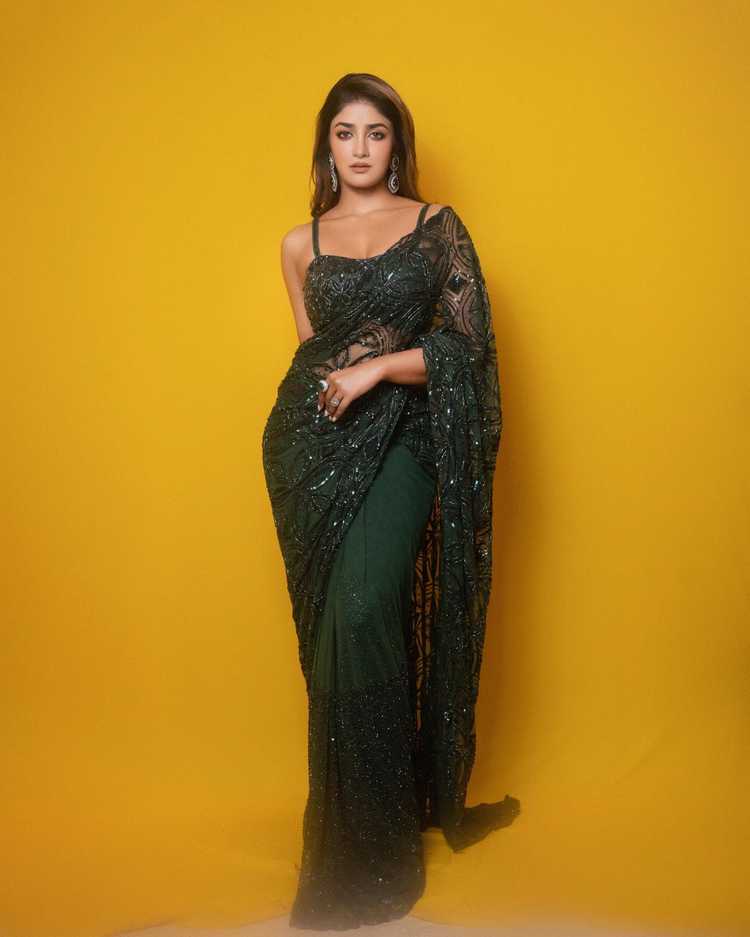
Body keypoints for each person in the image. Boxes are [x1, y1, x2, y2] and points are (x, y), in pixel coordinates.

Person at [262, 71, 521, 930]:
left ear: (396, 145)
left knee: (366, 601)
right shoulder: (299, 243)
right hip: (312, 449)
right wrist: (344, 380)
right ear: (326, 148)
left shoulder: (436, 227)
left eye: (376, 132)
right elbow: (315, 359)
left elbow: (468, 349)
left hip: (407, 437)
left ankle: (377, 849)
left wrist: (378, 367)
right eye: (345, 133)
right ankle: (352, 832)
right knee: (336, 624)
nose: (361, 148)